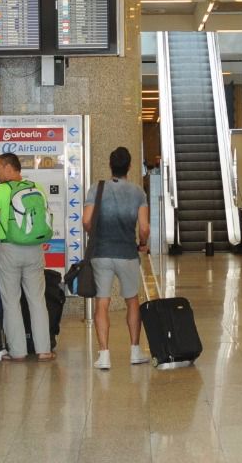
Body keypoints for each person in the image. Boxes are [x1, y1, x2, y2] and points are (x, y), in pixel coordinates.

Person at [84, 147, 151, 370]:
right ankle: (134, 351)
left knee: (102, 302)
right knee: (132, 300)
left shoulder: (97, 188)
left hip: (101, 253)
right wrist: (142, 243)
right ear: (130, 167)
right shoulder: (138, 192)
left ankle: (104, 355)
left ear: (110, 165)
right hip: (127, 254)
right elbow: (144, 228)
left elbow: (86, 221)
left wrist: (96, 234)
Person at [0, 153, 54, 362]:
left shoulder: (1, 190)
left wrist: (0, 229)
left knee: (11, 301)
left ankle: (18, 352)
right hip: (35, 250)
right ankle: (44, 350)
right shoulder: (36, 187)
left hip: (10, 250)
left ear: (7, 167)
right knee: (37, 300)